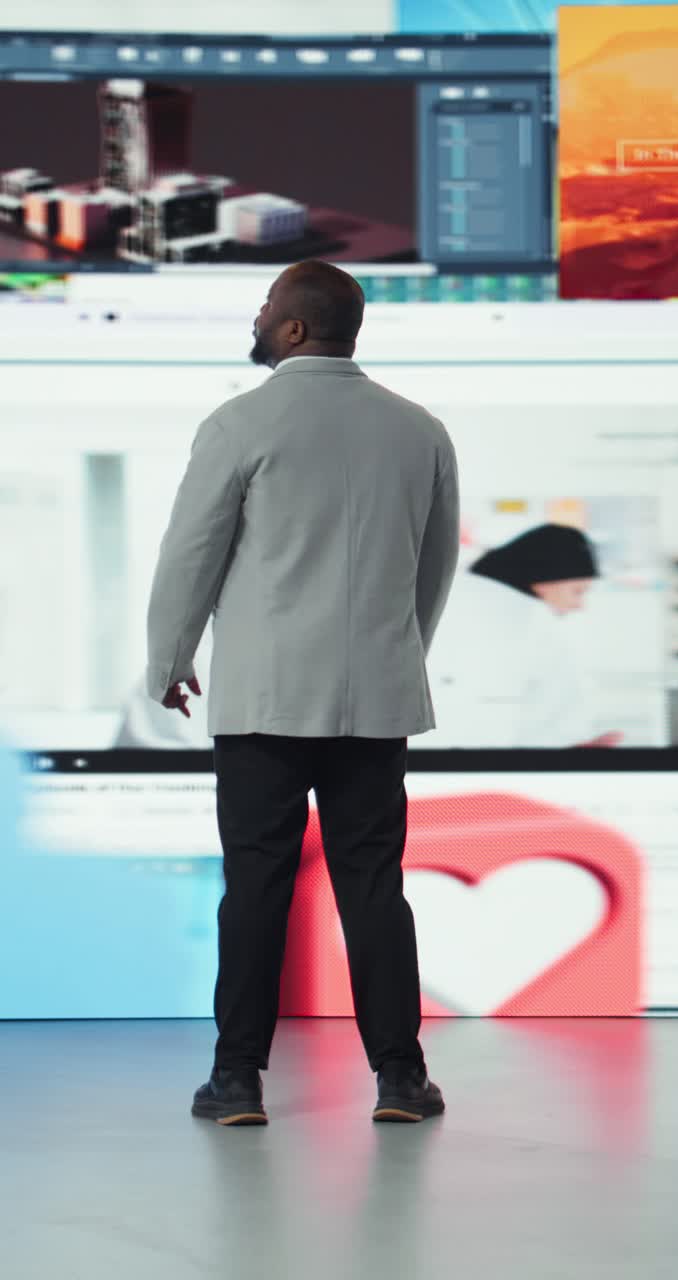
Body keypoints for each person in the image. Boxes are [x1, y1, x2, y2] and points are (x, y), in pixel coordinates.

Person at [146, 260, 459, 1125]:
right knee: (373, 887)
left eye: (265, 307)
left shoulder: (241, 423)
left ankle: (238, 1081)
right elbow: (431, 571)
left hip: (265, 704)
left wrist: (169, 654)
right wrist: (400, 653)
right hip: (375, 702)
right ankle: (401, 1079)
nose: (257, 316)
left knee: (255, 886)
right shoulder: (419, 430)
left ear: (292, 329)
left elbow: (191, 553)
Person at [426, 523, 623, 749]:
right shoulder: (528, 619)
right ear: (543, 582)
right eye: (577, 591)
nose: (579, 605)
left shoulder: (452, 601)